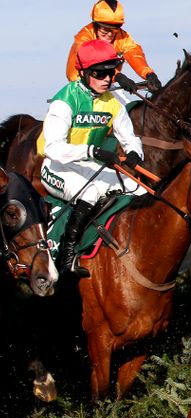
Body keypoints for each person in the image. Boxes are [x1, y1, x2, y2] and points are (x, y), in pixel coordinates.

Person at [39, 39, 146, 278]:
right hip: (56, 167)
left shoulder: (112, 102)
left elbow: (131, 139)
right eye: (100, 73)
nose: (107, 79)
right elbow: (52, 148)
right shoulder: (65, 100)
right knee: (89, 193)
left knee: (139, 189)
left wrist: (134, 153)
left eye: (110, 73)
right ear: (84, 73)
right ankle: (67, 258)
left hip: (89, 166)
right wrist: (92, 151)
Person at [65, 1, 162, 96]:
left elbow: (134, 53)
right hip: (81, 85)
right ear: (96, 25)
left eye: (114, 29)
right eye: (105, 29)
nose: (110, 34)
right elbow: (97, 64)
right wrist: (119, 77)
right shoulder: (84, 39)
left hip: (106, 82)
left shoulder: (122, 36)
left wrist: (149, 74)